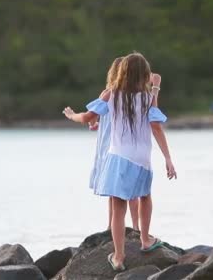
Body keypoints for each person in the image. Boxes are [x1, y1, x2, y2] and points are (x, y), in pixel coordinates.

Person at [63, 52, 176, 272]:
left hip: (119, 158)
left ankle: (119, 256)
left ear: (122, 72)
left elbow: (87, 118)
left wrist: (71, 115)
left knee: (118, 208)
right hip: (143, 158)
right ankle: (145, 240)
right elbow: (156, 126)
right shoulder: (146, 98)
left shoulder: (111, 95)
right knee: (145, 197)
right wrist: (168, 158)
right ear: (144, 74)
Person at [78, 57, 163, 231]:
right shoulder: (117, 94)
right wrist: (155, 88)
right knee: (123, 193)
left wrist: (85, 120)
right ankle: (131, 229)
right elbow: (151, 120)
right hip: (117, 145)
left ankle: (127, 229)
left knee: (120, 193)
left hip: (115, 146)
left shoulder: (115, 95)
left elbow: (93, 118)